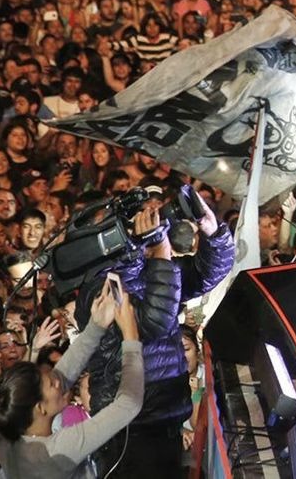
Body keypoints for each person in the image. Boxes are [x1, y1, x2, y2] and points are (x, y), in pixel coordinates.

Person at [77, 193, 233, 478]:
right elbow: (155, 321)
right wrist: (159, 247)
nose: (136, 226)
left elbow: (204, 275)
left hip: (165, 418)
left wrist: (213, 233)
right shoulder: (99, 287)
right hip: (131, 430)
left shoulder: (150, 269)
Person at [0, 284, 141, 479]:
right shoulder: (57, 449)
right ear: (40, 408)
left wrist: (96, 326)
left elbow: (63, 373)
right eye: (52, 385)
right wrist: (131, 335)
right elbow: (128, 404)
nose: (59, 383)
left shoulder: (9, 432)